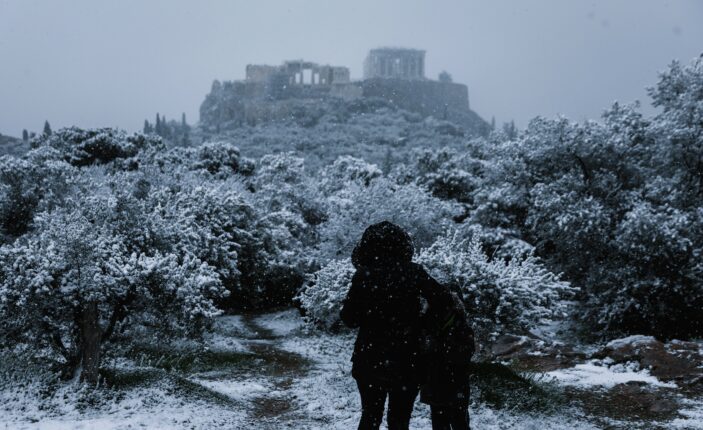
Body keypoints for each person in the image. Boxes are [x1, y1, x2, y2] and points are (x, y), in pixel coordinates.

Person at [340, 221, 454, 430]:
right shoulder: (414, 272)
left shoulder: (363, 275)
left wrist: (371, 315)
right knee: (400, 421)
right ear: (402, 245)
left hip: (370, 357)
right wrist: (420, 321)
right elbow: (445, 301)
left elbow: (349, 319)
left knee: (370, 417)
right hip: (407, 358)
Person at [419, 287, 474, 430]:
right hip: (449, 381)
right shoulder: (459, 325)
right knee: (453, 420)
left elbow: (464, 354)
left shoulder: (428, 323)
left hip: (442, 380)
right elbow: (464, 355)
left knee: (448, 420)